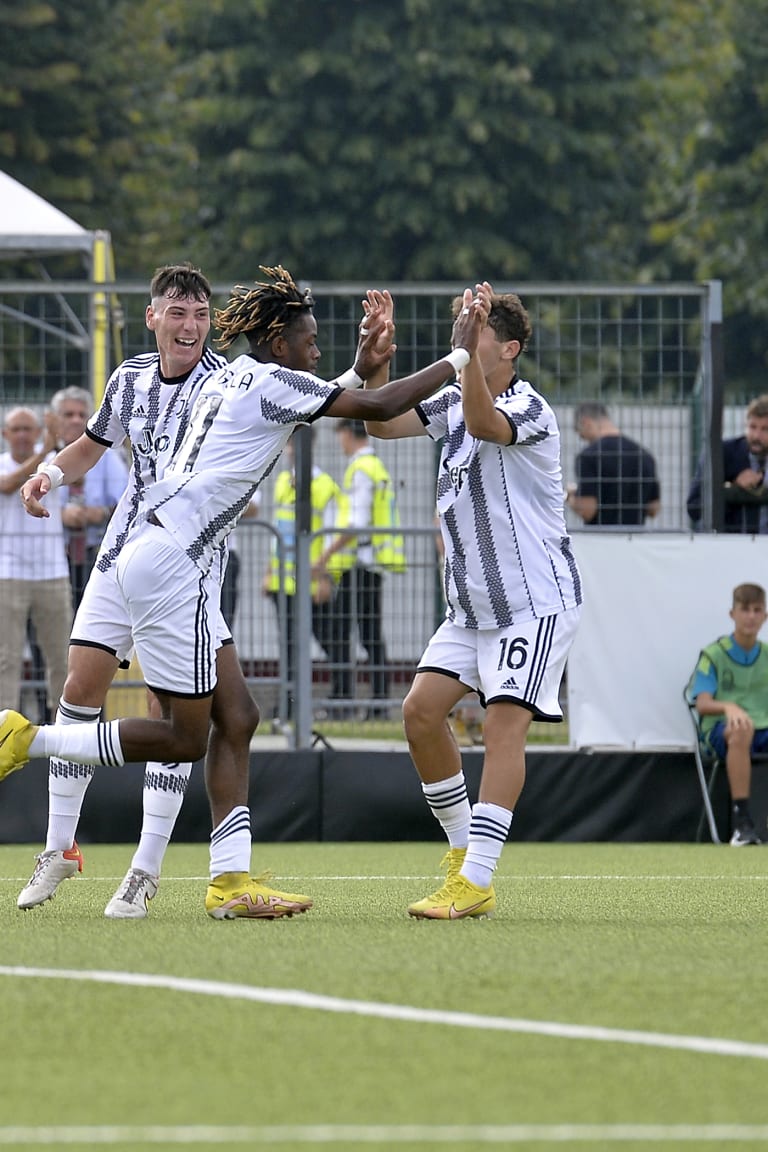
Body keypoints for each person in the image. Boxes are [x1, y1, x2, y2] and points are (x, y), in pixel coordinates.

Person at [0, 266, 488, 915]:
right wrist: (457, 351)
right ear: (278, 342)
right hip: (175, 563)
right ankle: (31, 740)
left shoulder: (233, 372)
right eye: (309, 339)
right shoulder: (261, 379)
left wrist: (355, 366)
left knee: (240, 717)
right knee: (181, 736)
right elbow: (374, 406)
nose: (316, 347)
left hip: (160, 553)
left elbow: (315, 396)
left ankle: (229, 881)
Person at [10, 263, 283, 922]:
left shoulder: (226, 382)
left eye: (199, 314)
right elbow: (92, 445)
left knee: (177, 711)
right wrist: (49, 473)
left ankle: (145, 867)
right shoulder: (130, 376)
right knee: (79, 686)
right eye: (177, 312)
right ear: (153, 317)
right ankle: (59, 848)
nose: (189, 326)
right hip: (122, 549)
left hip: (189, 559)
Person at [365, 284, 583, 919]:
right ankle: (463, 857)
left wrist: (462, 351)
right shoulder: (451, 398)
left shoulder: (530, 408)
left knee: (501, 724)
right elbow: (381, 424)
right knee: (419, 714)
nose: (462, 338)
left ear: (509, 348)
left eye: (478, 330)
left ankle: (478, 879)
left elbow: (487, 423)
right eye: (462, 326)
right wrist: (376, 356)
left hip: (534, 603)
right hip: (471, 609)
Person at [315, 420, 406, 718]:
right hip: (370, 564)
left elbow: (356, 522)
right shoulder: (373, 466)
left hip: (361, 565)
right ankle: (377, 701)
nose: (339, 442)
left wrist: (325, 555)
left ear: (350, 434)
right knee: (369, 634)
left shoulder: (361, 469)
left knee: (341, 631)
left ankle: (345, 699)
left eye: (340, 435)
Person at [262, 430, 347, 716]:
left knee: (330, 641)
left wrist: (325, 576)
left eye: (290, 443)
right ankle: (289, 704)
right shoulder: (285, 481)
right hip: (283, 583)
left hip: (310, 582)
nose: (287, 450)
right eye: (286, 443)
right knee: (288, 645)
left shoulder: (324, 485)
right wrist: (269, 571)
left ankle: (342, 700)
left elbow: (333, 532)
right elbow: (278, 531)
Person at [0, 406, 72, 723]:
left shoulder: (51, 464)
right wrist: (46, 449)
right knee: (7, 658)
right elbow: (8, 484)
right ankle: (6, 729)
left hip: (52, 572)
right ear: (5, 434)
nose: (23, 436)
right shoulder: (10, 463)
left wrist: (54, 448)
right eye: (16, 429)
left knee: (60, 657)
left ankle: (64, 727)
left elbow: (74, 465)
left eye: (29, 428)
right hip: (9, 573)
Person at [688, 582, 768, 846]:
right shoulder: (713, 655)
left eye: (757, 610)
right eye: (745, 610)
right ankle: (742, 823)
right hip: (722, 732)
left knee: (748, 727)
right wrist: (729, 707)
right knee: (741, 728)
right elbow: (702, 703)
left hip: (762, 728)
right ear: (732, 614)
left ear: (765, 616)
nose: (751, 617)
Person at [50, 386, 129, 610]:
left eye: (81, 415)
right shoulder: (44, 457)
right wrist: (59, 515)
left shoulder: (108, 457)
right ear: (56, 420)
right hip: (53, 556)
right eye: (68, 415)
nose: (75, 420)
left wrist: (101, 512)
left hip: (93, 554)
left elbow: (127, 500)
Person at [566, 402, 660, 527]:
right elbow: (653, 509)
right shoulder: (644, 456)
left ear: (586, 422)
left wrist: (570, 497)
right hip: (635, 539)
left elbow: (587, 510)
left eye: (580, 433)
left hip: (601, 539)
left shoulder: (588, 456)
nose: (582, 439)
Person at [687, 394, 768, 533]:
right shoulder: (720, 454)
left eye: (765, 429)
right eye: (752, 427)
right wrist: (734, 488)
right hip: (728, 546)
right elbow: (694, 508)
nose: (756, 436)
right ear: (745, 425)